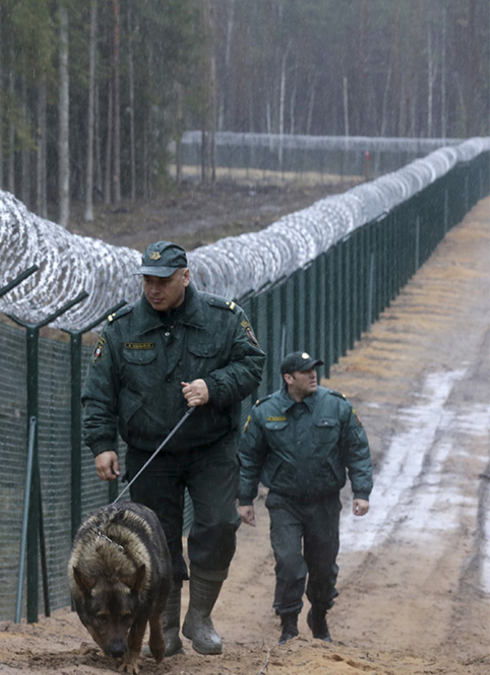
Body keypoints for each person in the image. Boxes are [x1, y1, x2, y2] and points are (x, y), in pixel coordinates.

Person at [82, 240, 265, 656]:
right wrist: (102, 444)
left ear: (185, 277)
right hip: (149, 452)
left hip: (211, 447)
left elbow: (252, 365)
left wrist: (212, 386)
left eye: (163, 280)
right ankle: (162, 623)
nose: (154, 289)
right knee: (155, 543)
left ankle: (200, 615)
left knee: (219, 524)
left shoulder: (224, 319)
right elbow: (98, 393)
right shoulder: (121, 328)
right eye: (147, 280)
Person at [237, 351, 373, 645]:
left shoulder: (335, 406)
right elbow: (249, 458)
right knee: (288, 563)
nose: (313, 375)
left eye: (314, 370)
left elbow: (357, 450)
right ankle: (289, 626)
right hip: (285, 501)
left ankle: (319, 615)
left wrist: (361, 492)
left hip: (324, 502)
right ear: (288, 378)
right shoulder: (265, 412)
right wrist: (245, 499)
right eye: (305, 371)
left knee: (323, 567)